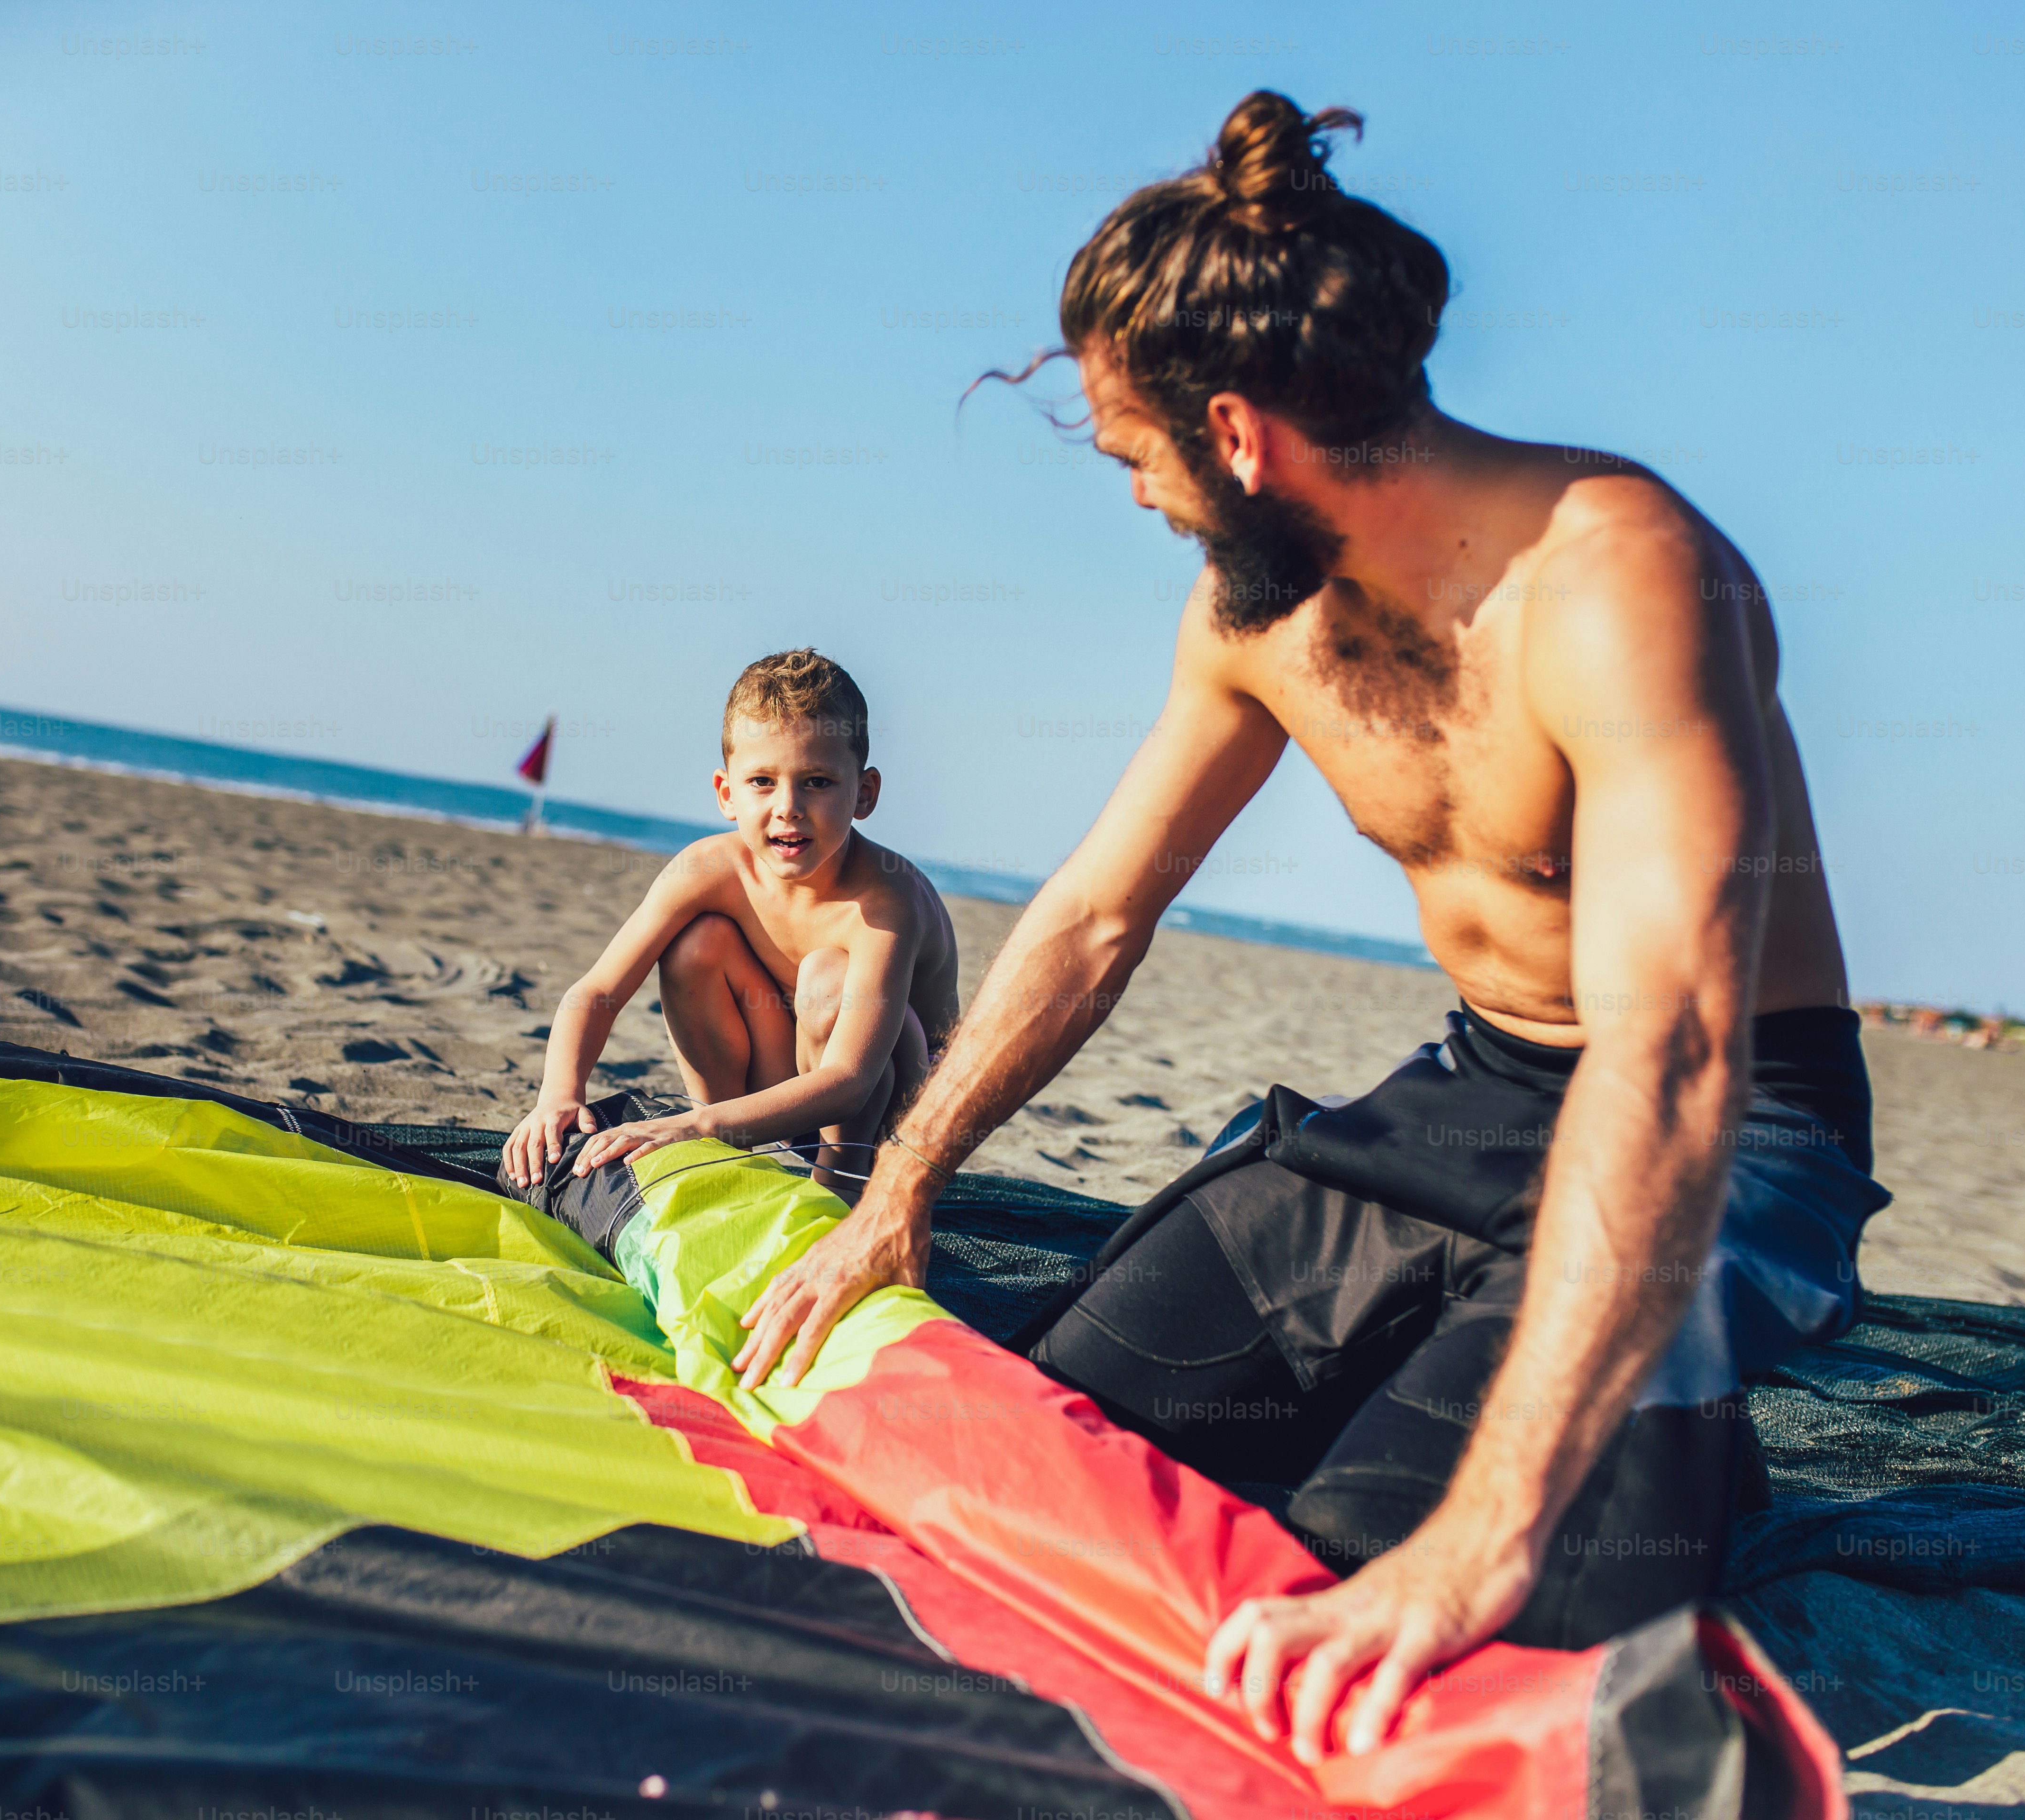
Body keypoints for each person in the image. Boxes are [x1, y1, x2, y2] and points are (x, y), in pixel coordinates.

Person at [727, 92, 1890, 1763]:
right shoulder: (1252, 616)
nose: (1137, 499)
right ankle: (1588, 1390)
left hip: (1736, 1119)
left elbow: (1680, 1048)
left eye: (1135, 456)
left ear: (1237, 436)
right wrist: (896, 1197)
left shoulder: (1621, 579)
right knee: (1071, 1429)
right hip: (1479, 1089)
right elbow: (1098, 913)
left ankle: (1671, 1422)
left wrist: (1483, 1539)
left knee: (1365, 1594)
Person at [504, 649, 959, 1193]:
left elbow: (850, 1079)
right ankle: (724, 1154)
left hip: (897, 1119)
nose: (788, 806)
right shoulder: (709, 869)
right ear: (727, 793)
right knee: (697, 944)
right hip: (781, 1092)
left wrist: (692, 1124)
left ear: (865, 794)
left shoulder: (888, 900)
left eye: (817, 782)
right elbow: (598, 989)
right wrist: (559, 1094)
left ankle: (838, 1185)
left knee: (827, 979)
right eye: (763, 782)